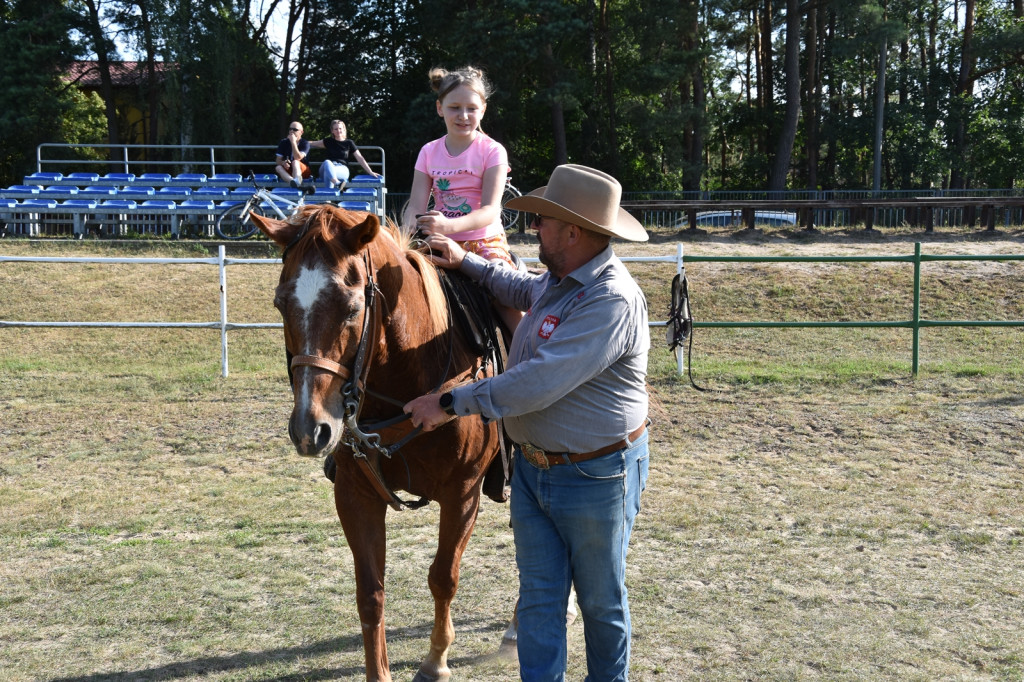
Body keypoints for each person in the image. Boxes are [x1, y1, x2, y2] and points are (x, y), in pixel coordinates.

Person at [404, 164, 651, 682]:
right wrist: (466, 260)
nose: (534, 228)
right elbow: (520, 288)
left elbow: (536, 383)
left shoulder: (610, 299)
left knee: (601, 600)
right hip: (538, 472)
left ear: (573, 233)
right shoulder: (562, 280)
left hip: (595, 474)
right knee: (539, 599)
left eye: (542, 221)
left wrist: (448, 403)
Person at [401, 65, 521, 331]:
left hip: (484, 242)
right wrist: (406, 233)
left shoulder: (493, 151)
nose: (463, 115)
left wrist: (448, 226)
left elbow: (490, 210)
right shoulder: (428, 152)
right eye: (454, 107)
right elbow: (415, 207)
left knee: (506, 298)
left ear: (483, 110)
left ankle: (528, 356)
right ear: (439, 108)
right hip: (437, 241)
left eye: (471, 108)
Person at [307, 119, 379, 189]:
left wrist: (370, 171)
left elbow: (360, 157)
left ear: (344, 129)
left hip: (341, 169)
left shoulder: (349, 143)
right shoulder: (328, 141)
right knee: (327, 163)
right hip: (327, 166)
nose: (338, 131)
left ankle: (328, 198)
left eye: (340, 128)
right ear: (332, 131)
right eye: (336, 129)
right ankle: (337, 183)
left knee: (328, 174)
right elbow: (312, 143)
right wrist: (297, 142)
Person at [274, 121, 312, 187]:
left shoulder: (305, 143)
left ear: (301, 132)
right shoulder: (283, 142)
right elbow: (277, 161)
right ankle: (293, 182)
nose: (292, 131)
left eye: (295, 130)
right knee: (278, 167)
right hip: (289, 170)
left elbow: (298, 158)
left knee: (295, 162)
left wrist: (293, 142)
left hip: (303, 171)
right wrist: (283, 163)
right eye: (290, 129)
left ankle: (297, 182)